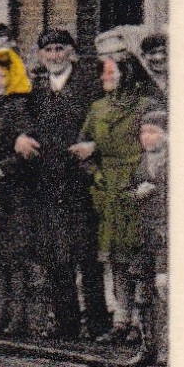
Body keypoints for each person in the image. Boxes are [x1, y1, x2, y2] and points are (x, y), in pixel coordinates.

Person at [13, 28, 109, 340]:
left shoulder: (90, 85)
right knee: (55, 253)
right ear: (40, 55)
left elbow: (103, 124)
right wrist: (20, 138)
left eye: (60, 49)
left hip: (80, 179)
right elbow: (19, 120)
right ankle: (66, 324)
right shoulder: (34, 86)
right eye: (48, 50)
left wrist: (93, 146)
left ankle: (98, 324)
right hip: (45, 179)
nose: (54, 56)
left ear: (71, 52)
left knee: (87, 252)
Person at [72, 55, 155, 345]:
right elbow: (81, 150)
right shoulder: (97, 108)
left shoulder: (146, 106)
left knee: (138, 256)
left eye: (110, 72)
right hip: (108, 191)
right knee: (115, 259)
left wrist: (145, 179)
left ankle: (142, 323)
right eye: (103, 73)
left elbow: (154, 146)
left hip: (138, 188)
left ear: (127, 74)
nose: (104, 78)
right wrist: (96, 176)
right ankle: (121, 320)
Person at [0, 48, 34, 336]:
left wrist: (4, 168)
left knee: (14, 259)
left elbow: (30, 149)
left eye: (1, 75)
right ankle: (0, 316)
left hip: (16, 193)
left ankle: (18, 318)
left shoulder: (19, 107)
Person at [126, 109, 167, 367]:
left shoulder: (173, 163)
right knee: (143, 294)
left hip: (165, 238)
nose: (147, 137)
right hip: (143, 237)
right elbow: (129, 193)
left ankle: (166, 349)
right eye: (143, 132)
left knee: (165, 290)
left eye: (153, 132)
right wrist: (135, 194)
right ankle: (147, 347)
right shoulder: (140, 162)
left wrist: (157, 190)